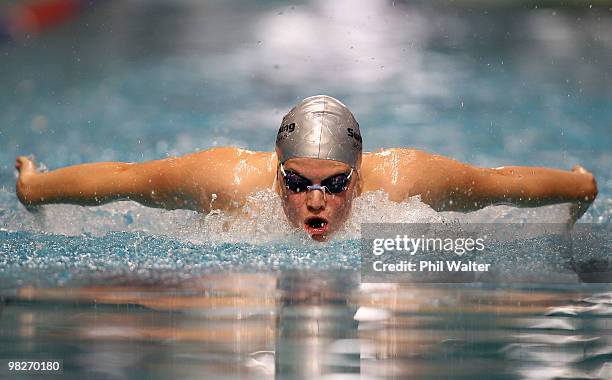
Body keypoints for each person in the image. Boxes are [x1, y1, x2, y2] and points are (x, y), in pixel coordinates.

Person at [15, 95, 598, 241]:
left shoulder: (404, 183)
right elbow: (126, 179)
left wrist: (579, 186)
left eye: (333, 185)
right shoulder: (229, 181)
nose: (315, 200)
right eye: (297, 183)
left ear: (359, 176)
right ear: (277, 173)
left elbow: (496, 184)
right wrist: (35, 186)